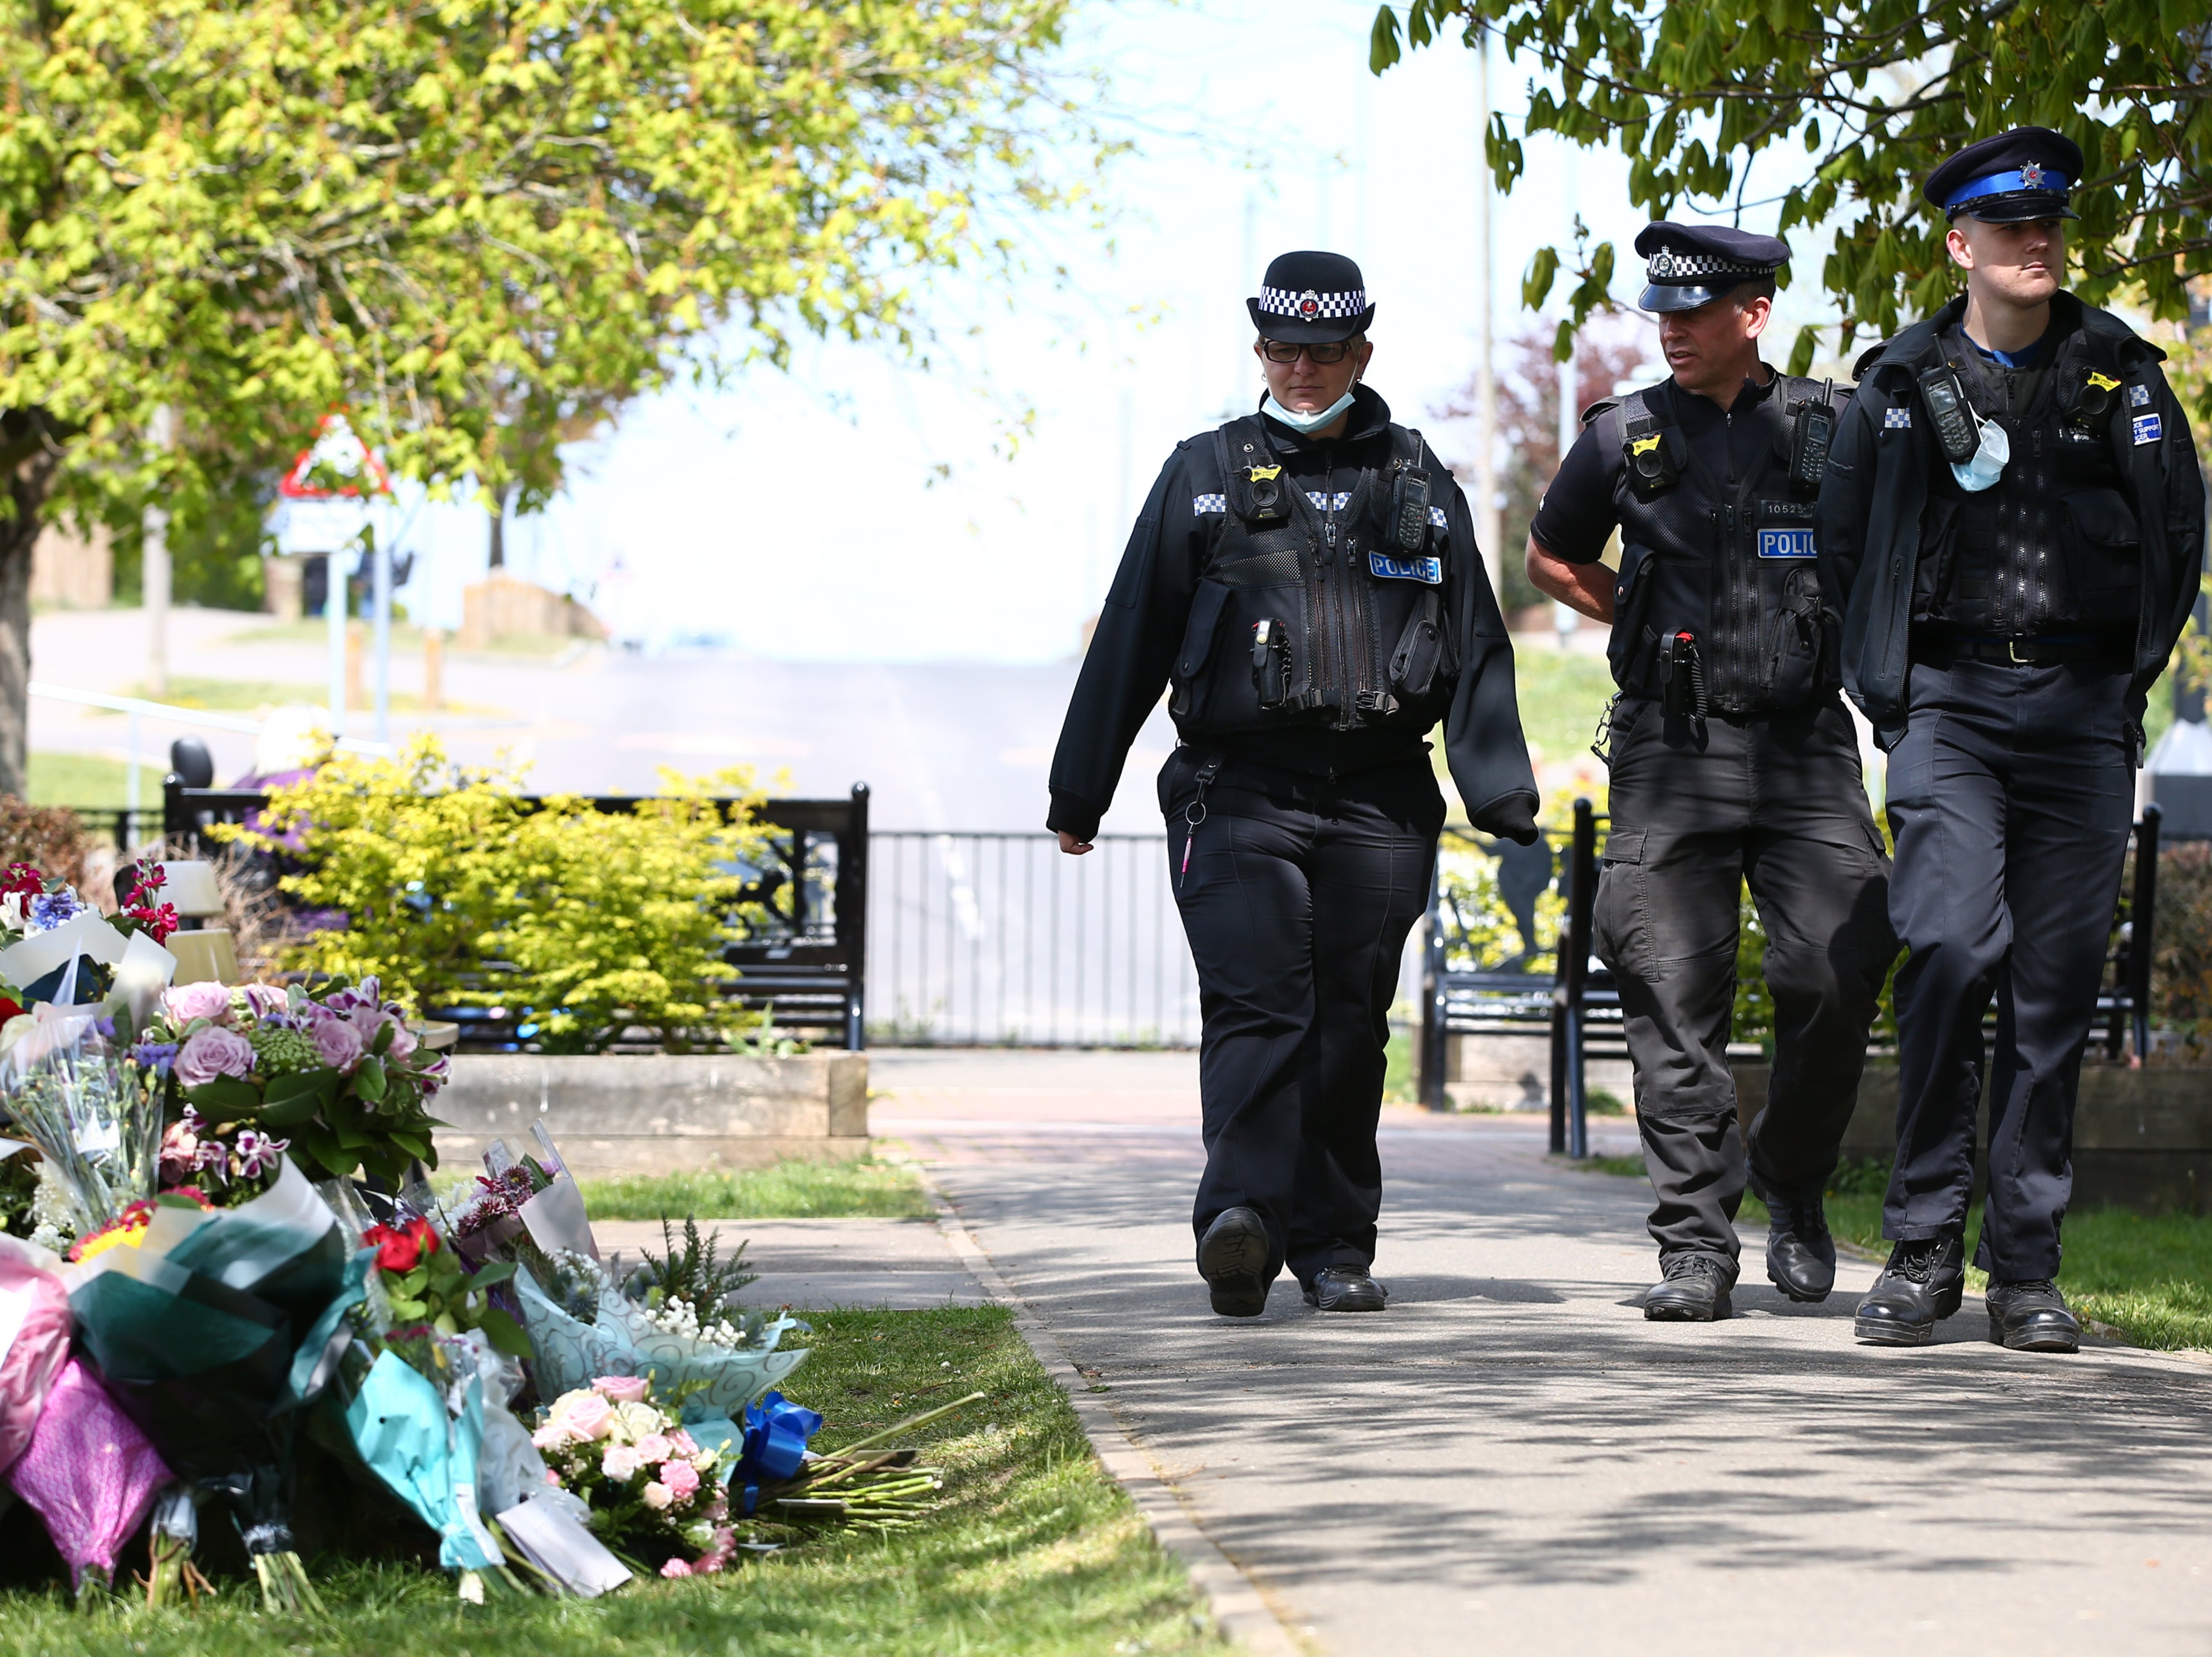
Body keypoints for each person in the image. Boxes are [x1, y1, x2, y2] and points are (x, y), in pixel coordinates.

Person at [1046, 250, 1539, 1318]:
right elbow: (1132, 634)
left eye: (1324, 350)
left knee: (1350, 1023)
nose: (1302, 368)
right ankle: (1243, 1222)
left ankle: (1332, 1244)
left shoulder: (1418, 480)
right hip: (1239, 791)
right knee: (1259, 1007)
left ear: (1362, 350)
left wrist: (1501, 793)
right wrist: (1079, 792)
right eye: (1282, 348)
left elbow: (1474, 643)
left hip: (1378, 795)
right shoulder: (1204, 472)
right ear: (1259, 348)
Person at [1819, 128, 2205, 1352]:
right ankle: (1924, 1244)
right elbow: (1843, 552)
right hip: (1949, 705)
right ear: (1960, 244)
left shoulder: (2124, 378)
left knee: (2050, 996)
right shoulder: (1897, 385)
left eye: (2045, 226)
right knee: (1940, 945)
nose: (2030, 242)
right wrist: (1889, 693)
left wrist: (2123, 678)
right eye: (2005, 227)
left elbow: (2177, 540)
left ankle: (2023, 1269)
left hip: (2082, 713)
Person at [1526, 223, 1897, 1322]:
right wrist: (1629, 613)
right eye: (1661, 313)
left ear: (1753, 313)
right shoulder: (1620, 435)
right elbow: (1550, 551)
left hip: (1803, 741)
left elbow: (1895, 555)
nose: (1671, 331)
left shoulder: (1831, 429)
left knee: (1838, 964)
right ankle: (1694, 1242)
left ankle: (1788, 1178)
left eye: (1694, 312)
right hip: (1667, 745)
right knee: (1664, 986)